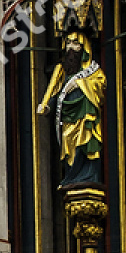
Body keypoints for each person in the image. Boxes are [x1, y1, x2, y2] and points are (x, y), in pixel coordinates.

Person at [37, 31, 106, 188]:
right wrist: (47, 107)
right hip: (68, 119)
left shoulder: (94, 71)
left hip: (86, 116)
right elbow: (55, 94)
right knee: (69, 147)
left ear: (84, 48)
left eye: (75, 44)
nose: (71, 48)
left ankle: (88, 176)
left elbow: (101, 87)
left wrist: (81, 84)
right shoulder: (63, 72)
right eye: (68, 43)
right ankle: (71, 177)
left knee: (86, 143)